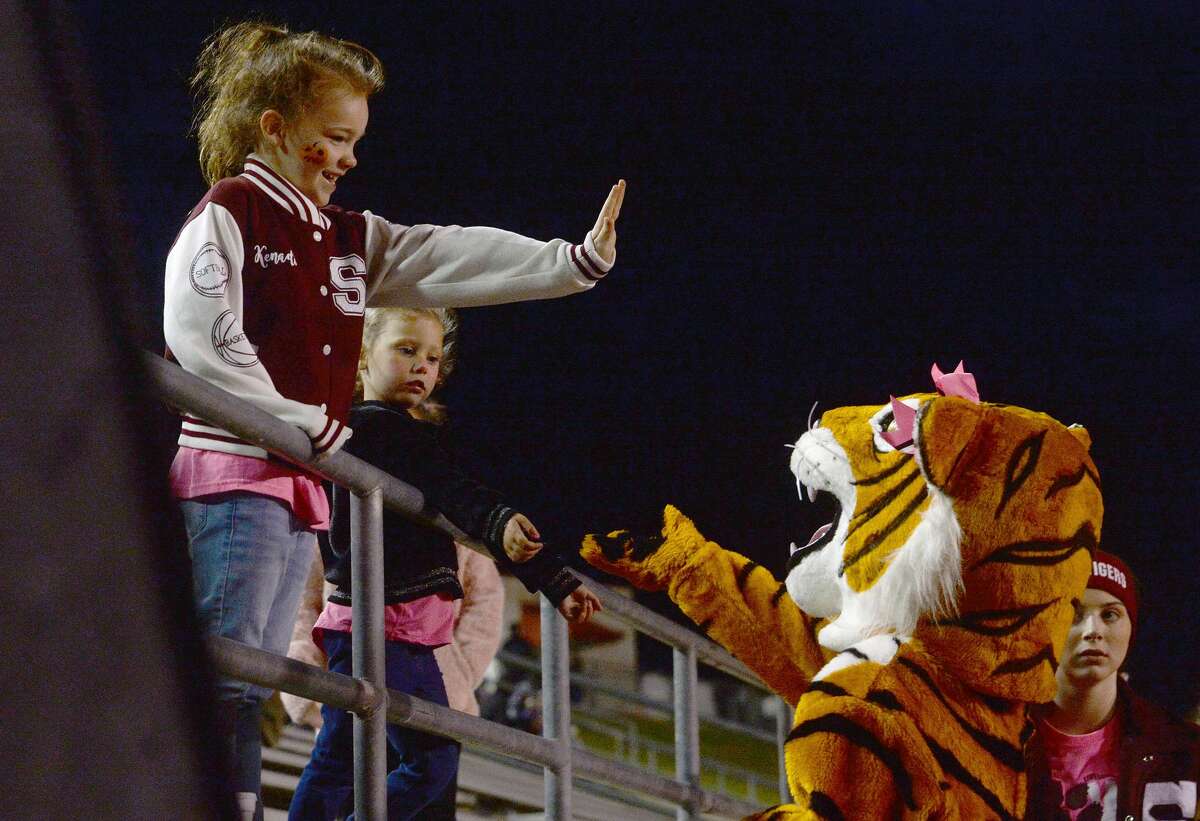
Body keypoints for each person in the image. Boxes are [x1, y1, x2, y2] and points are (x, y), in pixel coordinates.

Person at [163, 21, 624, 820]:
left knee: (256, 678)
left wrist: (567, 262)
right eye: (333, 137)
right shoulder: (232, 209)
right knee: (230, 676)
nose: (347, 158)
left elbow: (446, 254)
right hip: (237, 467)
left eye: (355, 141)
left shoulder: (346, 235)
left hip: (299, 481)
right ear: (275, 127)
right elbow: (196, 331)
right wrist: (296, 419)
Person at [288, 306, 601, 820]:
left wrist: (551, 577)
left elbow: (458, 510)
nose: (422, 367)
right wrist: (514, 535)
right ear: (364, 356)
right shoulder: (379, 430)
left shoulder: (382, 433)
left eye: (433, 358)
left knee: (342, 757)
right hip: (389, 627)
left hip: (383, 626)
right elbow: (459, 497)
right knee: (430, 758)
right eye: (405, 350)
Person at [281, 542, 505, 819]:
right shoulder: (338, 513)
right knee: (343, 769)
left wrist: (457, 672)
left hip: (426, 680)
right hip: (354, 658)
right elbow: (304, 602)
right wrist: (310, 689)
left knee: (427, 782)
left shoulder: (455, 522)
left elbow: (485, 605)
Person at [1025, 550, 1200, 820]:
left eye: (1110, 615)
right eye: (1073, 614)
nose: (1093, 630)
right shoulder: (998, 742)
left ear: (1131, 628)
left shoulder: (1184, 749)